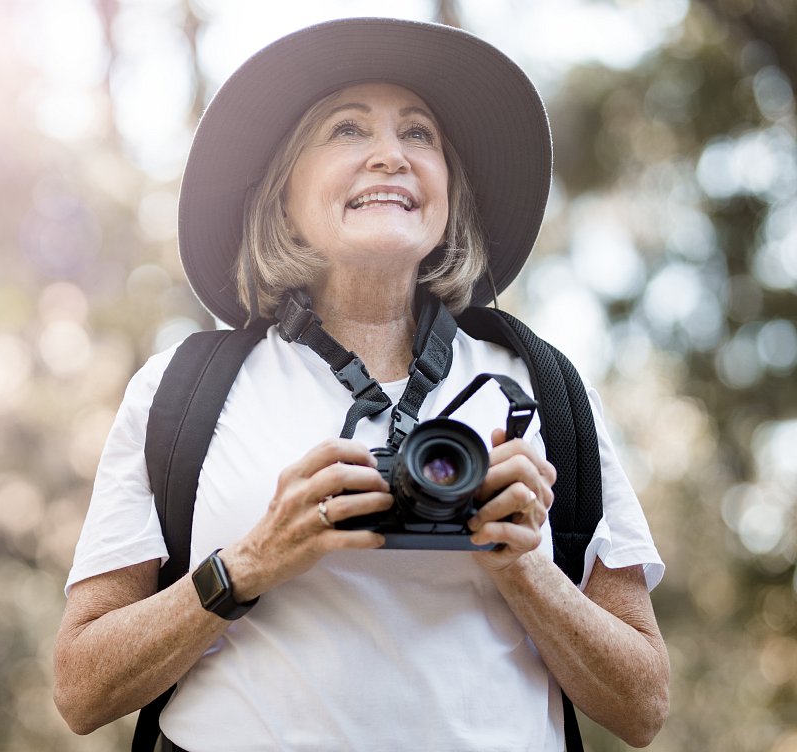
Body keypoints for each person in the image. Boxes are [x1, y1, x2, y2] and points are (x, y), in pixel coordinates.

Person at [54, 17, 669, 751]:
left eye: (420, 135)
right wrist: (252, 562)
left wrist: (527, 567)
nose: (390, 156)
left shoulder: (542, 390)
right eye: (348, 131)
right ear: (284, 197)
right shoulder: (183, 390)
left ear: (447, 194)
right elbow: (80, 689)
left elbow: (644, 706)